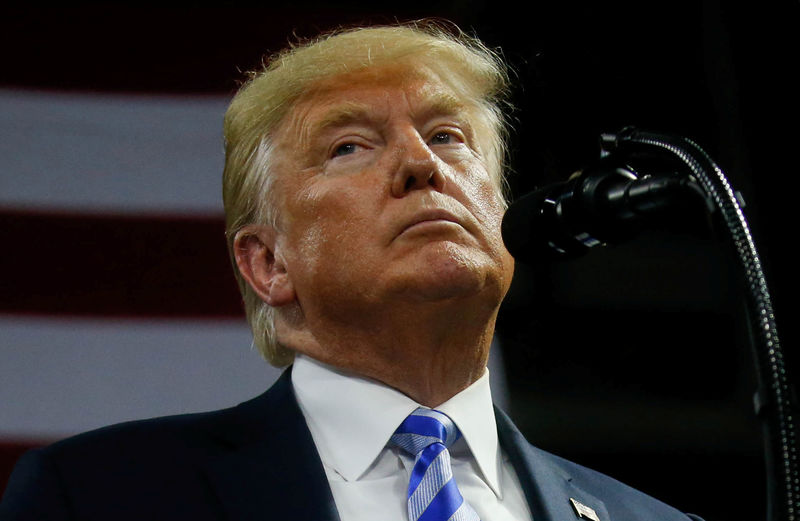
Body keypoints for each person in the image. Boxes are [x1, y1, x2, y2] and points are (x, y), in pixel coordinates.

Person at [0, 21, 702, 521]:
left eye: (448, 136)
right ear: (269, 264)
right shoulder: (103, 494)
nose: (422, 164)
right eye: (349, 147)